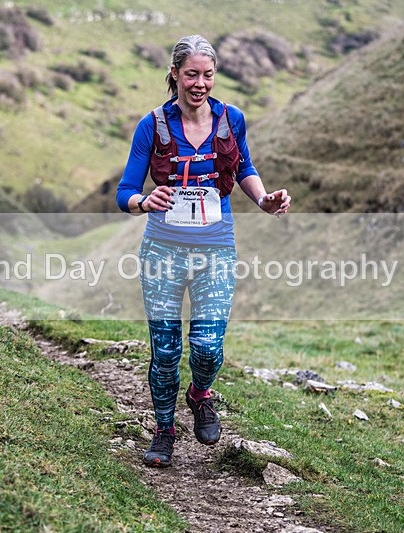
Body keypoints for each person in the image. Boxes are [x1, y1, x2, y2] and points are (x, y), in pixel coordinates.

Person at [116, 35, 290, 467]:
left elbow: (243, 166)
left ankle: (199, 394)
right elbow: (125, 191)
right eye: (191, 74)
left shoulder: (232, 119)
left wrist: (263, 199)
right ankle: (163, 432)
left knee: (208, 346)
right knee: (166, 349)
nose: (200, 83)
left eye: (208, 75)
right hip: (162, 250)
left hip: (215, 247)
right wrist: (143, 202)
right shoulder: (151, 125)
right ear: (174, 74)